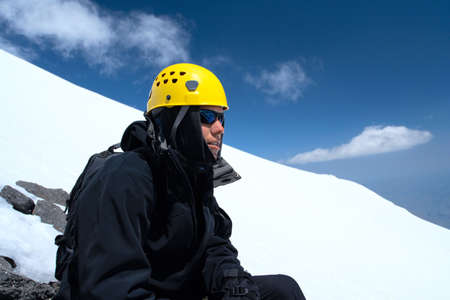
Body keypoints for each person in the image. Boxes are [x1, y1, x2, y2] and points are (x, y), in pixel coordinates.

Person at [54, 63, 306, 300]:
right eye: (206, 116)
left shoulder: (194, 176)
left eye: (221, 118)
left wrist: (232, 281)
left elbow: (212, 243)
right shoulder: (127, 176)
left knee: (283, 290)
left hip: (177, 289)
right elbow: (109, 287)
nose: (220, 129)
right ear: (174, 120)